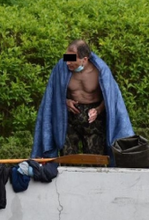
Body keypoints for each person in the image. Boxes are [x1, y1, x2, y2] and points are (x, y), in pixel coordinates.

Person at [30, 39, 134, 167]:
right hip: (69, 118)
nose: (67, 62)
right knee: (67, 159)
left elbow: (111, 99)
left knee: (95, 161)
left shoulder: (100, 70)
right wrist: (65, 101)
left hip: (93, 118)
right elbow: (53, 95)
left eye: (72, 60)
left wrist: (98, 110)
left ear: (84, 59)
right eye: (67, 58)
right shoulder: (61, 68)